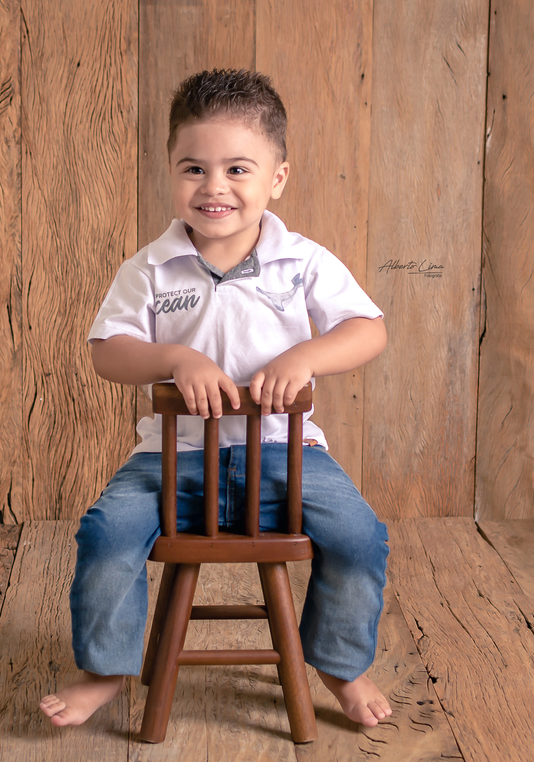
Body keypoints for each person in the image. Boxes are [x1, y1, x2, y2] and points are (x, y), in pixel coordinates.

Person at [40, 69, 392, 732]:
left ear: (277, 178)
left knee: (359, 536)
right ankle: (104, 670)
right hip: (171, 461)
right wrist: (175, 358)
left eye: (237, 169)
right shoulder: (150, 268)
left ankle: (341, 664)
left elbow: (367, 329)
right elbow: (107, 350)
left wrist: (305, 356)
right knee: (105, 533)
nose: (214, 187)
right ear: (171, 173)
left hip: (285, 454)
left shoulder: (302, 262)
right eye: (194, 169)